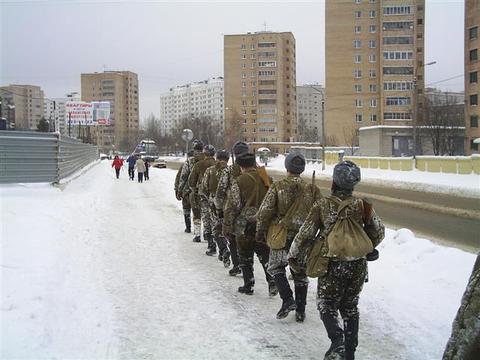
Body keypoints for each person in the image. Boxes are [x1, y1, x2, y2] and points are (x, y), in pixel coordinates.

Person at [289, 161, 385, 360]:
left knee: (327, 304)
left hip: (331, 263)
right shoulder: (362, 206)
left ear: (334, 180)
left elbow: (305, 233)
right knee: (350, 307)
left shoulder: (323, 205)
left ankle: (337, 342)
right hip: (358, 264)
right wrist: (366, 247)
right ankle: (350, 353)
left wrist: (294, 254)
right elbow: (378, 231)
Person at [256, 152, 322, 322]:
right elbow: (320, 213)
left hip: (281, 235)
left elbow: (265, 211)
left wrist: (261, 229)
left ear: (287, 167)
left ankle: (287, 300)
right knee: (300, 273)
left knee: (276, 267)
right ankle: (301, 310)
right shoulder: (311, 189)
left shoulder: (278, 186)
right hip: (303, 237)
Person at [223, 152, 276, 296]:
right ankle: (272, 282)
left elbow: (233, 206)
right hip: (263, 223)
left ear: (241, 166)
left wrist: (227, 226)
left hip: (244, 223)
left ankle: (249, 284)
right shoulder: (267, 178)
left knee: (245, 254)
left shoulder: (239, 181)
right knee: (265, 253)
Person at [214, 141, 249, 276]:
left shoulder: (228, 171)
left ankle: (237, 266)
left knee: (233, 239)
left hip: (234, 212)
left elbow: (220, 193)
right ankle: (268, 279)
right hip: (254, 212)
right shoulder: (258, 170)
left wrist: (220, 211)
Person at [199, 149, 230, 261]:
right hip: (229, 204)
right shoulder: (230, 171)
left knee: (216, 227)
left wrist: (208, 199)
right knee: (226, 227)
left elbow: (203, 188)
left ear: (217, 158)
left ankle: (222, 249)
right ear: (228, 159)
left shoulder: (210, 171)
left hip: (213, 203)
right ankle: (228, 251)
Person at [188, 144, 216, 246]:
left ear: (204, 153)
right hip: (217, 196)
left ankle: (202, 237)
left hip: (202, 195)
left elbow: (191, 182)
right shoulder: (218, 164)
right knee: (214, 218)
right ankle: (214, 237)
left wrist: (194, 189)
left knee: (201, 215)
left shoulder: (199, 164)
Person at [178, 140, 205, 242]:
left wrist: (180, 190)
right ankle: (207, 234)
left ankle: (192, 230)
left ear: (194, 149)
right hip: (205, 191)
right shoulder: (207, 159)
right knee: (205, 212)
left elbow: (183, 177)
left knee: (192, 211)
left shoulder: (189, 161)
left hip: (191, 191)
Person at [175, 150, 194, 233]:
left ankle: (188, 227)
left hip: (185, 191)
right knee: (197, 211)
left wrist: (177, 190)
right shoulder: (198, 164)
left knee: (186, 209)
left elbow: (179, 178)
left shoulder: (184, 165)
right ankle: (201, 231)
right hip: (196, 191)